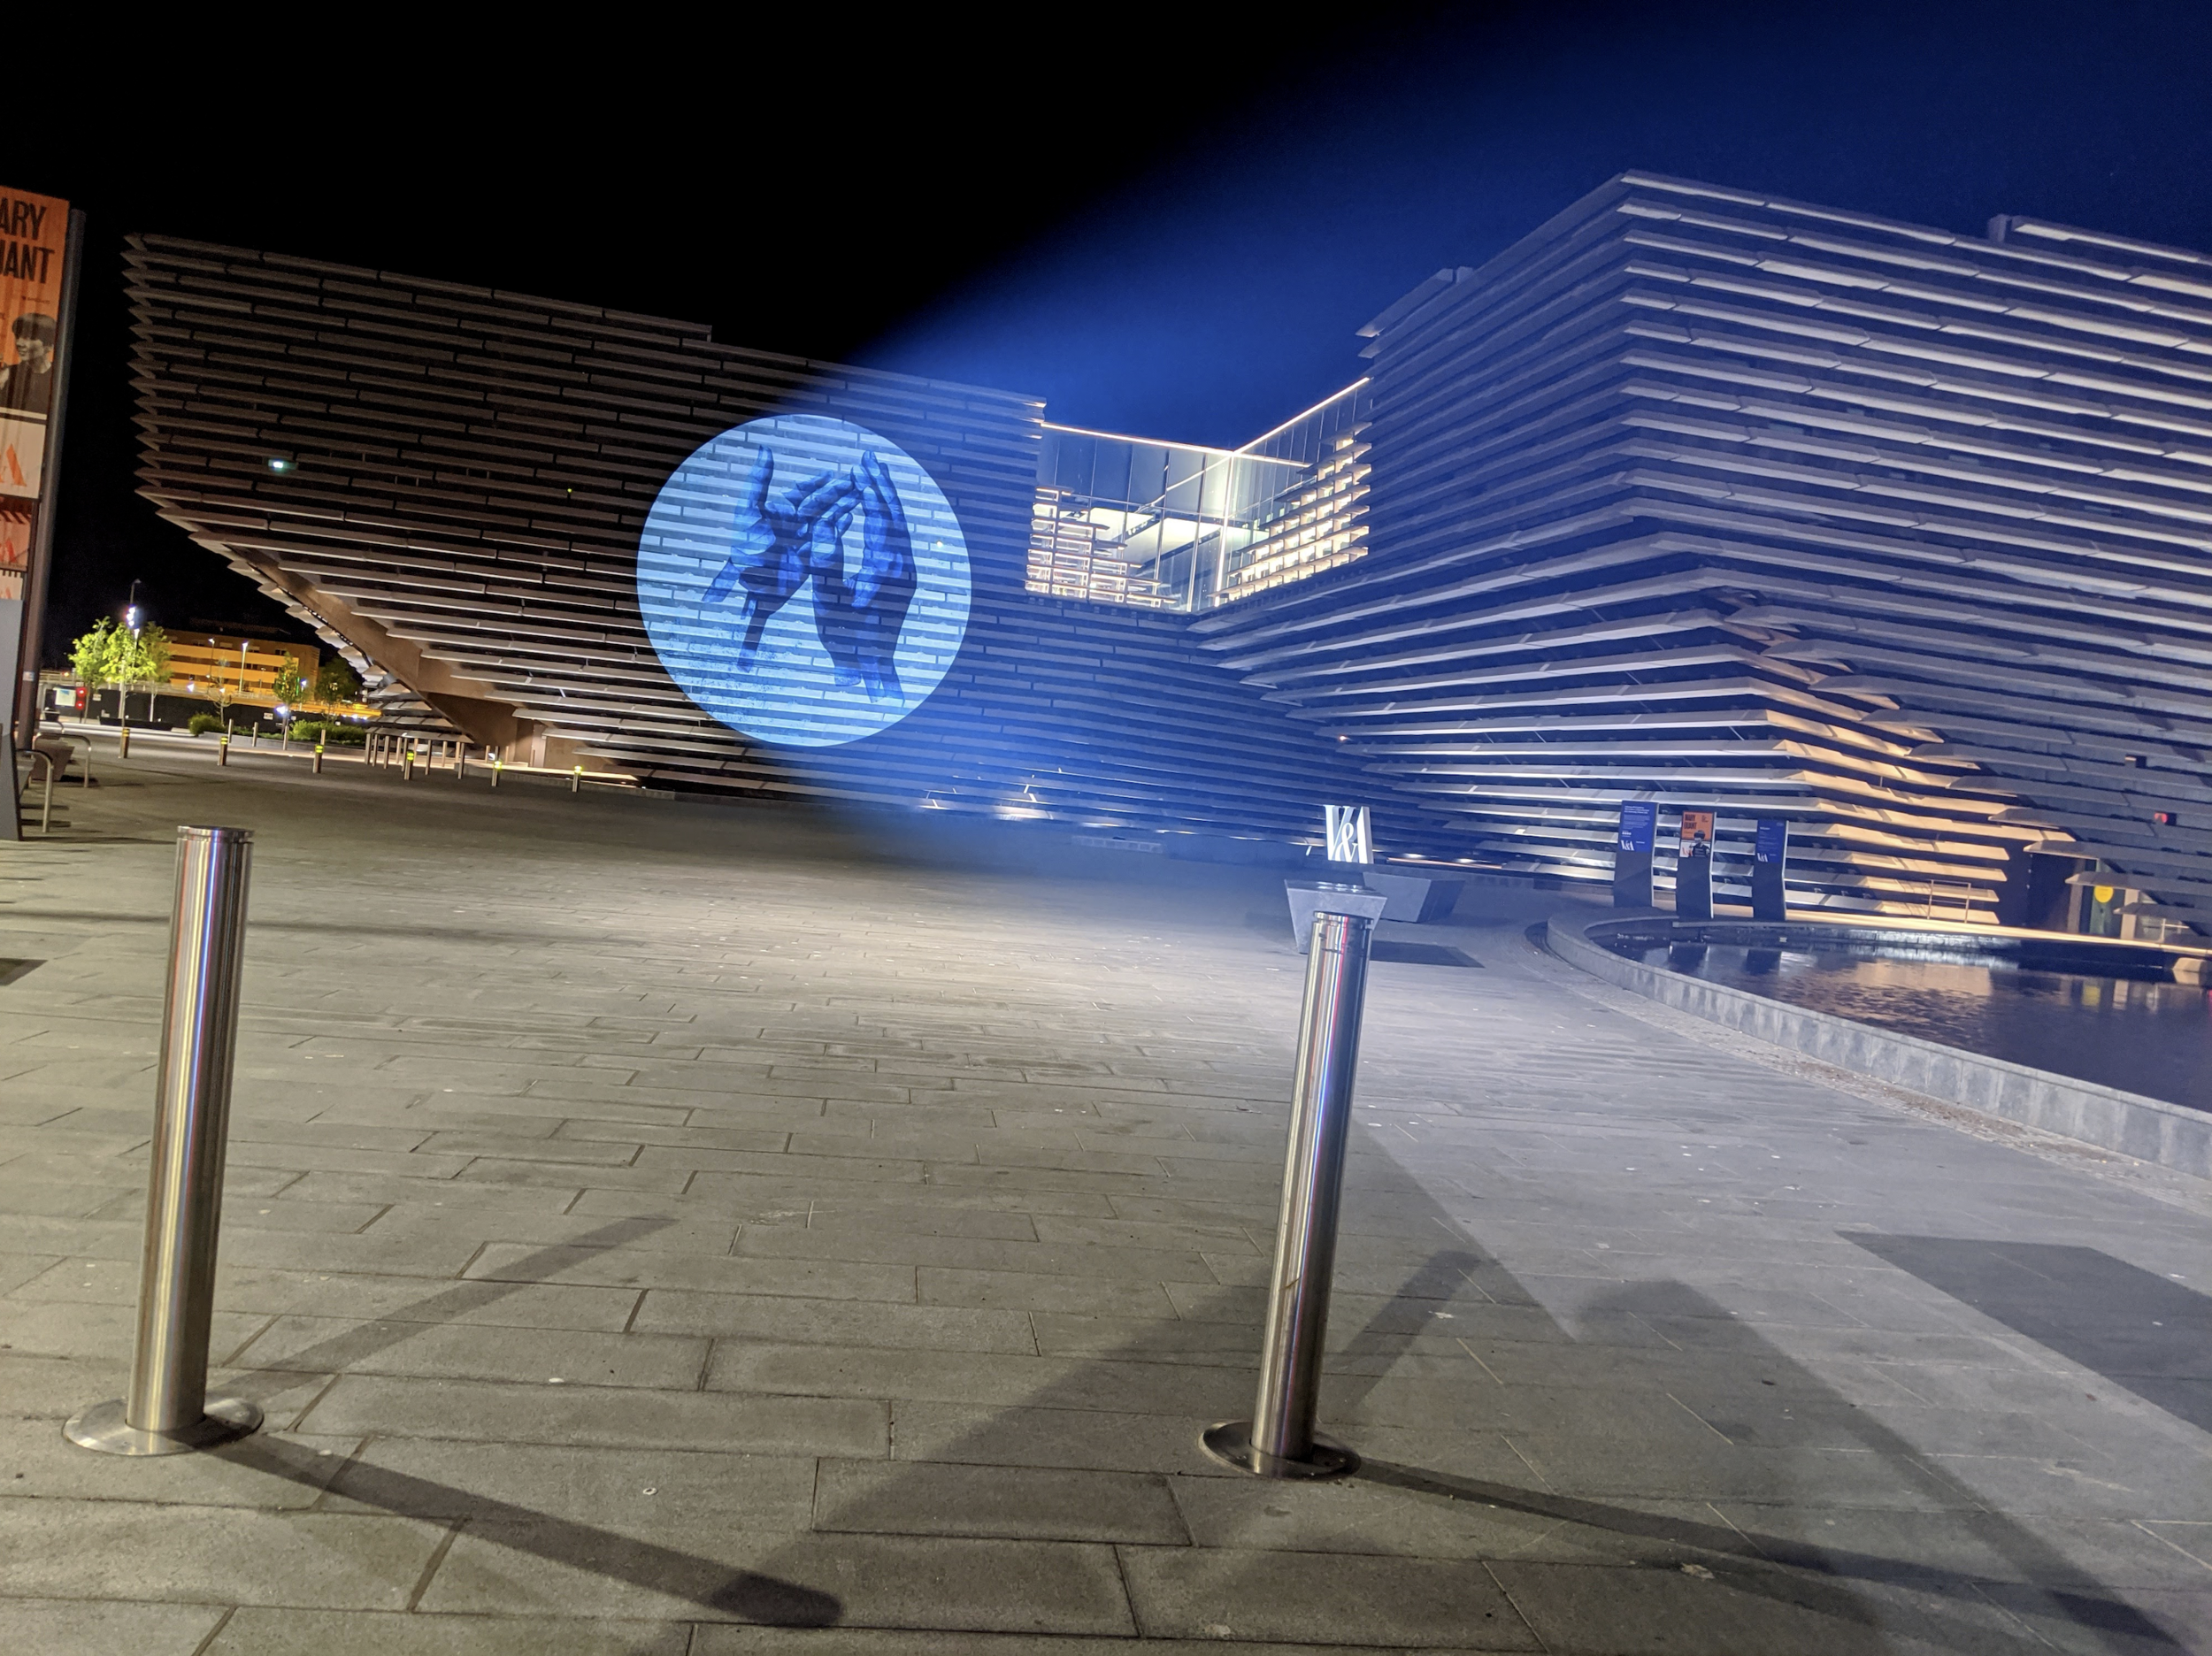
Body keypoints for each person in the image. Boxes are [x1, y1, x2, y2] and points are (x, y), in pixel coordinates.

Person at [0, 313, 57, 416]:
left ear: (48, 345)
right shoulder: (7, 374)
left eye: (28, 338)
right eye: (17, 336)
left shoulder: (58, 378)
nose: (19, 343)